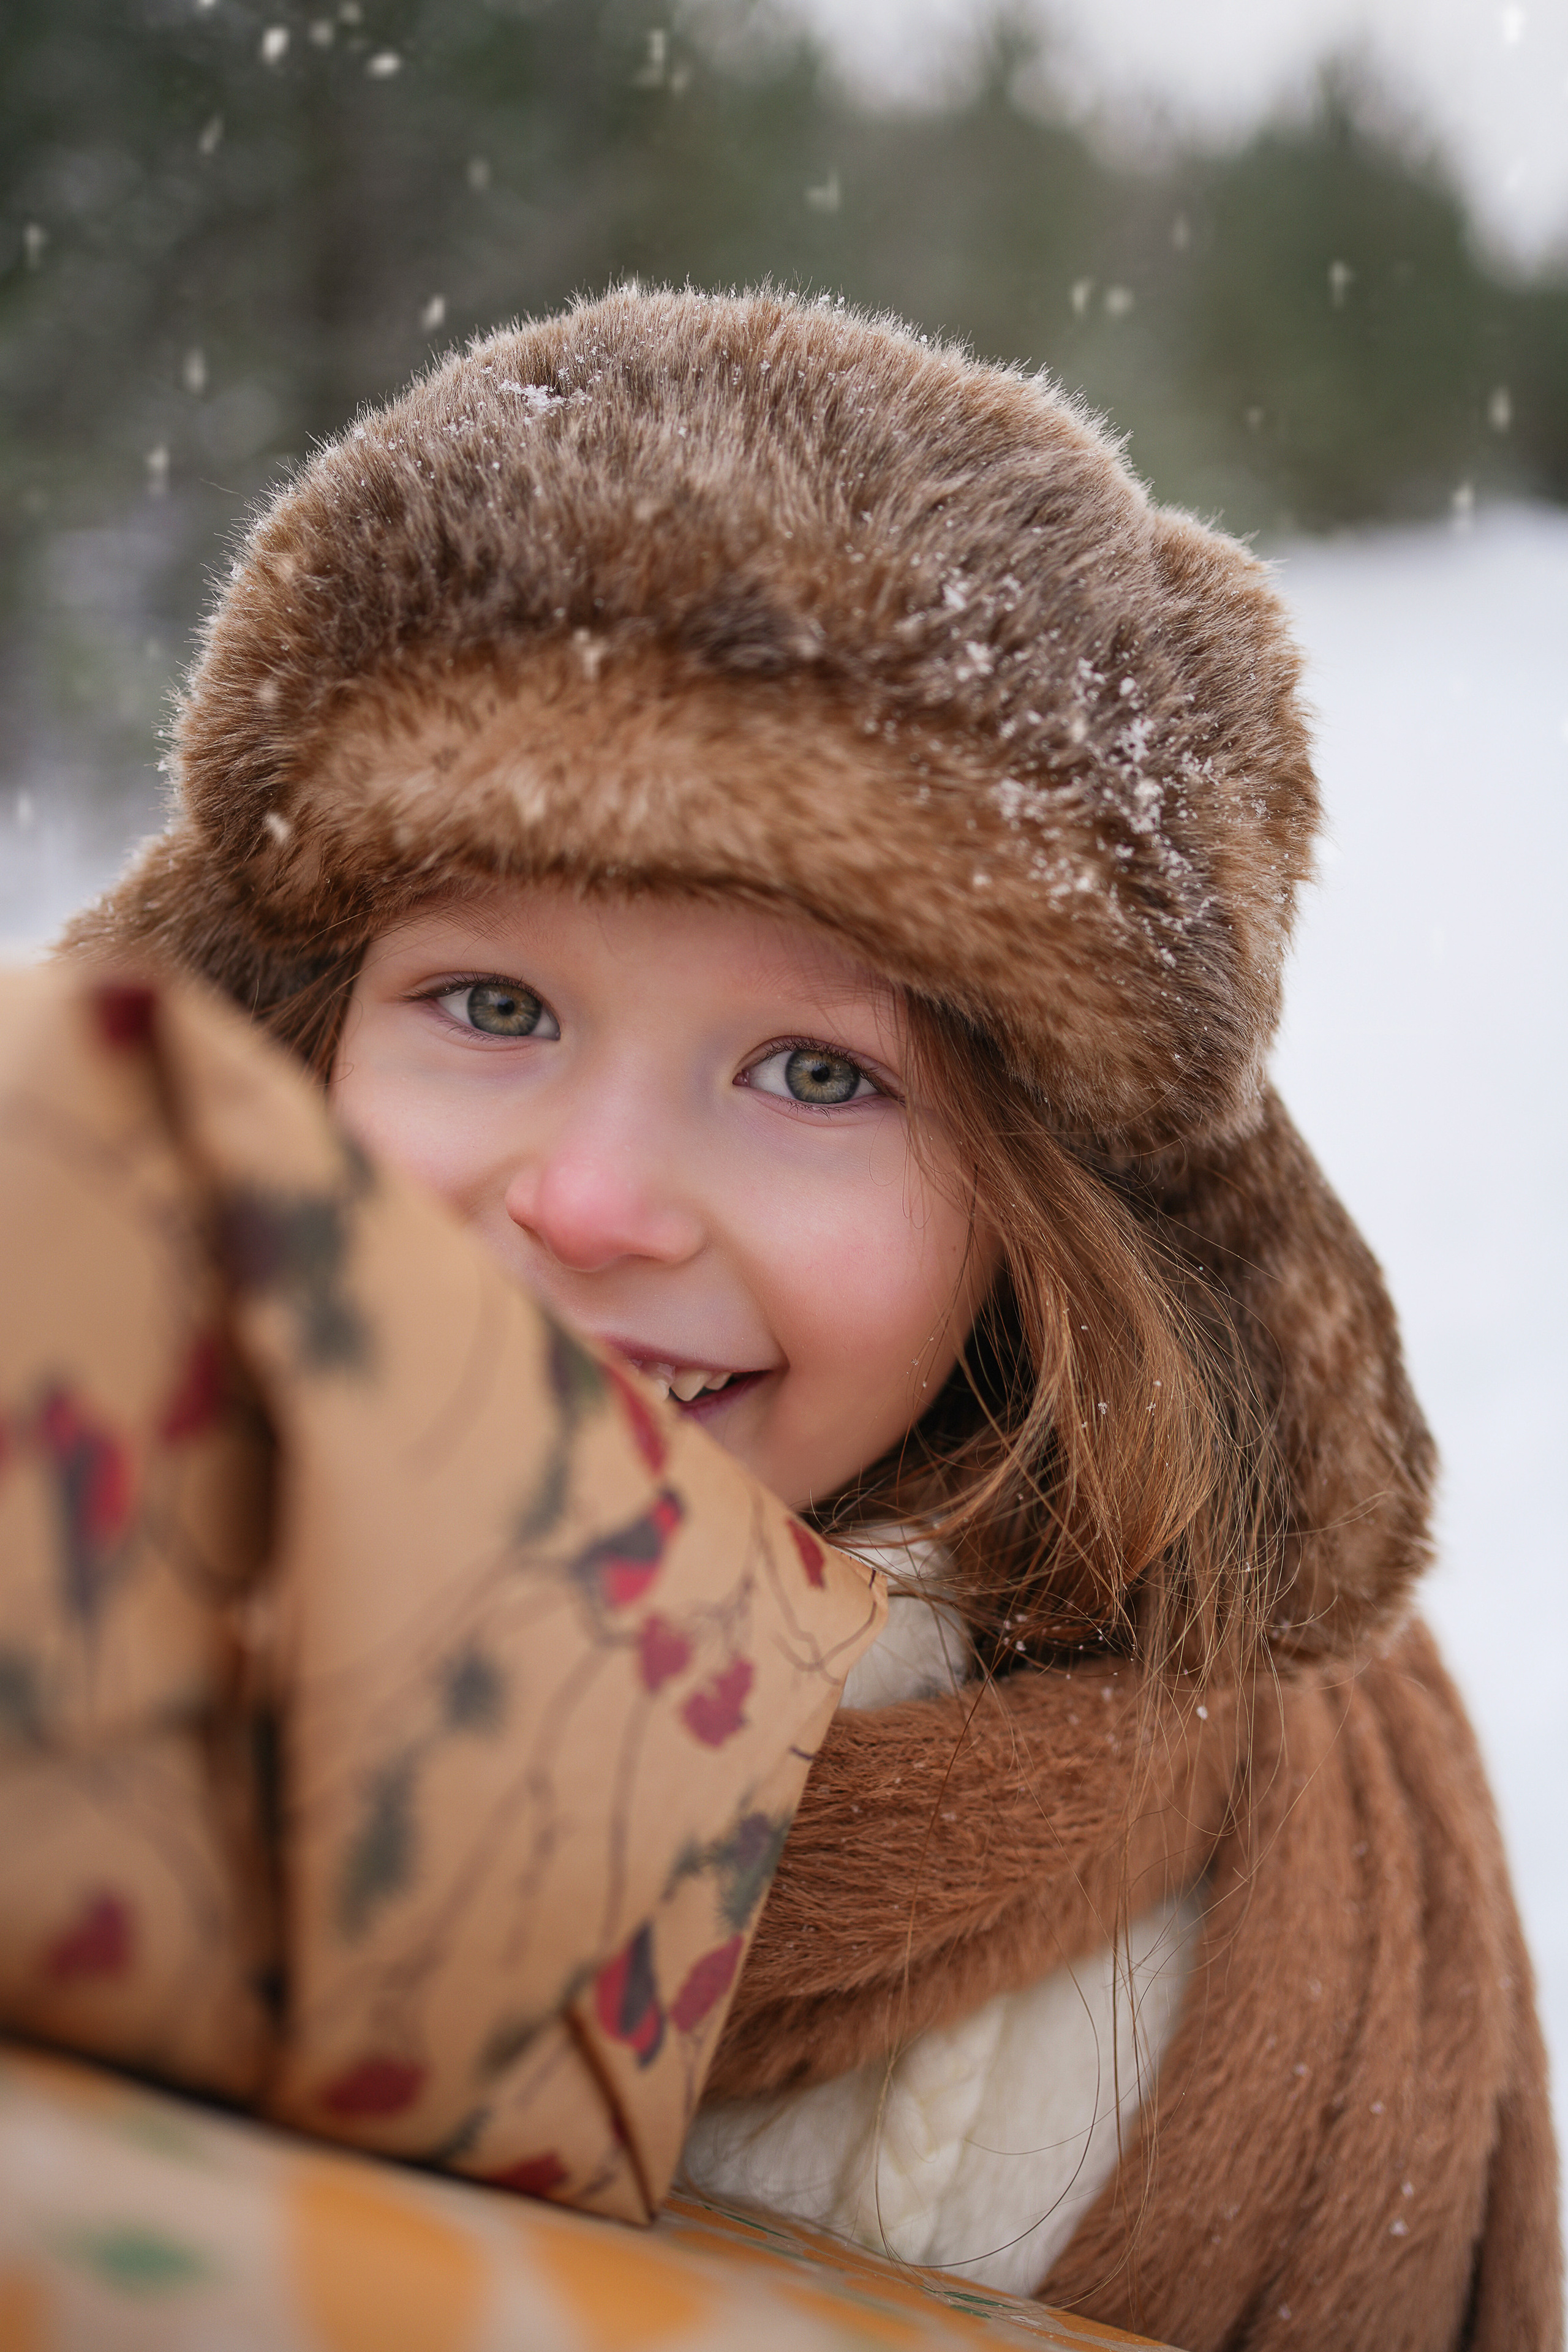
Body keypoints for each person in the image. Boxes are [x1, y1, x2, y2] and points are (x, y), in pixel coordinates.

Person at [63, 285, 1561, 2350]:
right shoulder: (63, 1578)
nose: (588, 1203)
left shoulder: (1207, 1949)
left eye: (816, 1074)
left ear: (1037, 1220)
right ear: (289, 1049)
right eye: (491, 1004)